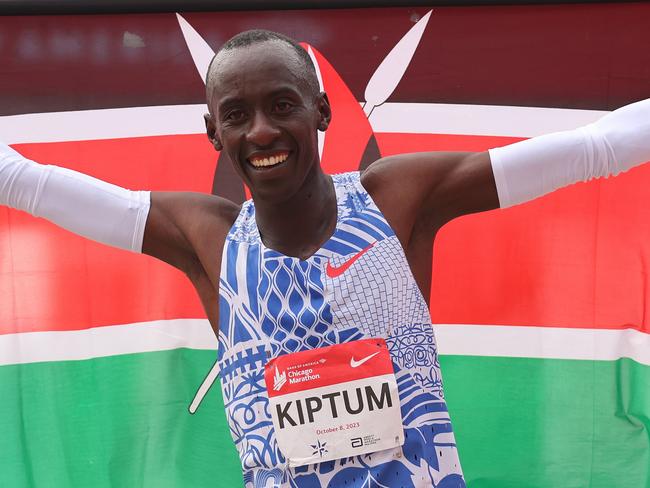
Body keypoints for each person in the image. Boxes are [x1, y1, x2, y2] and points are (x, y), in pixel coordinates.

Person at [1, 29, 649, 487]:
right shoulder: (208, 238)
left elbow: (596, 148)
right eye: (237, 114)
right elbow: (23, 181)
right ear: (213, 132)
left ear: (321, 109)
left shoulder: (397, 200)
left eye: (281, 105)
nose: (261, 130)